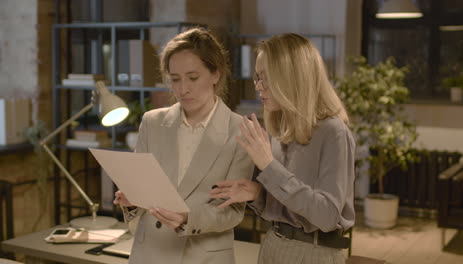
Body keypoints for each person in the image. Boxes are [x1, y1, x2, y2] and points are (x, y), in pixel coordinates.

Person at [210, 33, 355, 264]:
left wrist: (268, 166)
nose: (258, 86)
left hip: (314, 253)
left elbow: (327, 216)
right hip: (273, 244)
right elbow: (287, 205)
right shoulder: (280, 129)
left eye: (265, 78)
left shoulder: (333, 132)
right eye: (257, 77)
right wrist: (257, 193)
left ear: (293, 77)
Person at [113, 28, 254, 264]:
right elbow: (144, 190)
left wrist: (188, 217)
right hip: (150, 254)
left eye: (193, 77)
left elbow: (232, 212)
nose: (182, 89)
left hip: (203, 257)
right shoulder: (152, 122)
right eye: (175, 79)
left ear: (215, 74)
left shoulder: (240, 131)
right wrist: (133, 199)